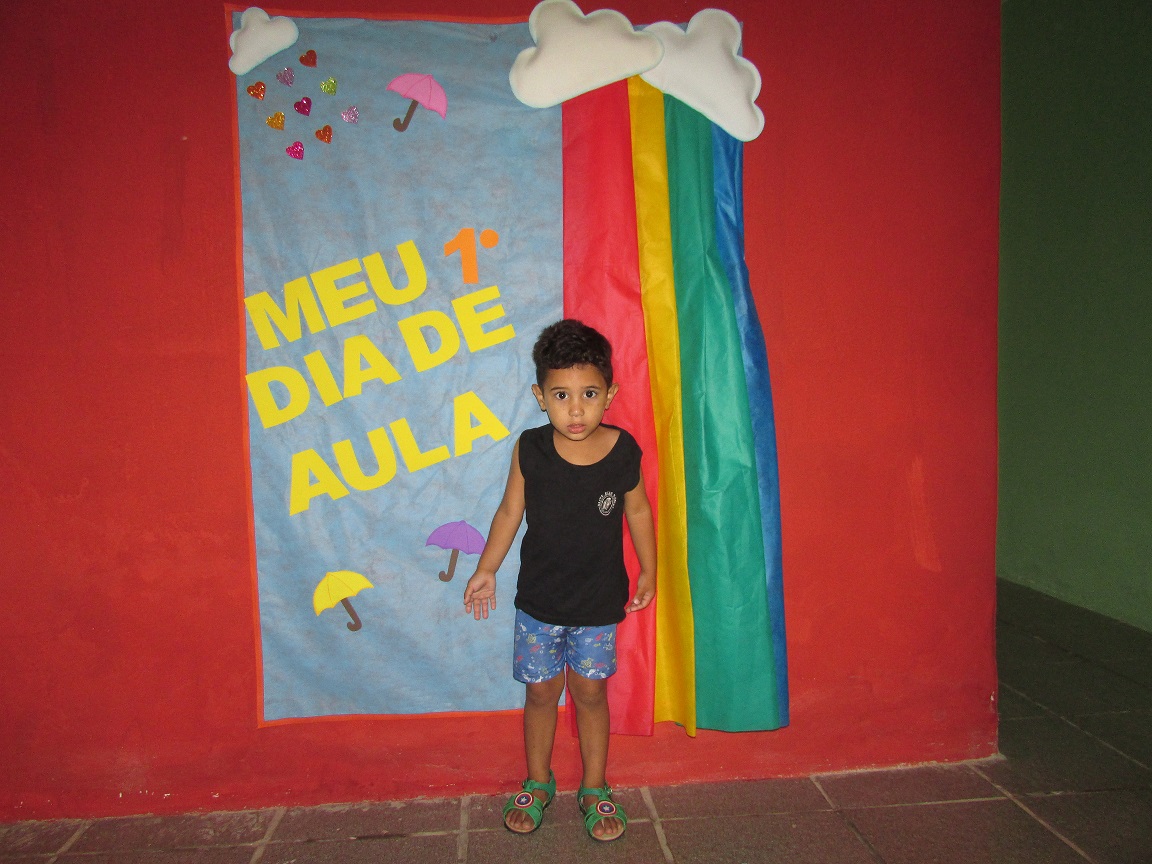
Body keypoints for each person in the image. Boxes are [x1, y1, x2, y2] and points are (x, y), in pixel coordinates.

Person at [463, 319, 656, 842]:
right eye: (561, 395)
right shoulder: (531, 448)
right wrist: (486, 569)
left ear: (609, 395)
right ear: (540, 397)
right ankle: (538, 780)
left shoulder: (623, 451)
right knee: (541, 693)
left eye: (589, 394)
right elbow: (510, 512)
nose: (575, 409)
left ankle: (594, 786)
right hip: (539, 604)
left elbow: (638, 511)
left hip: (597, 605)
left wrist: (649, 568)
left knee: (591, 694)